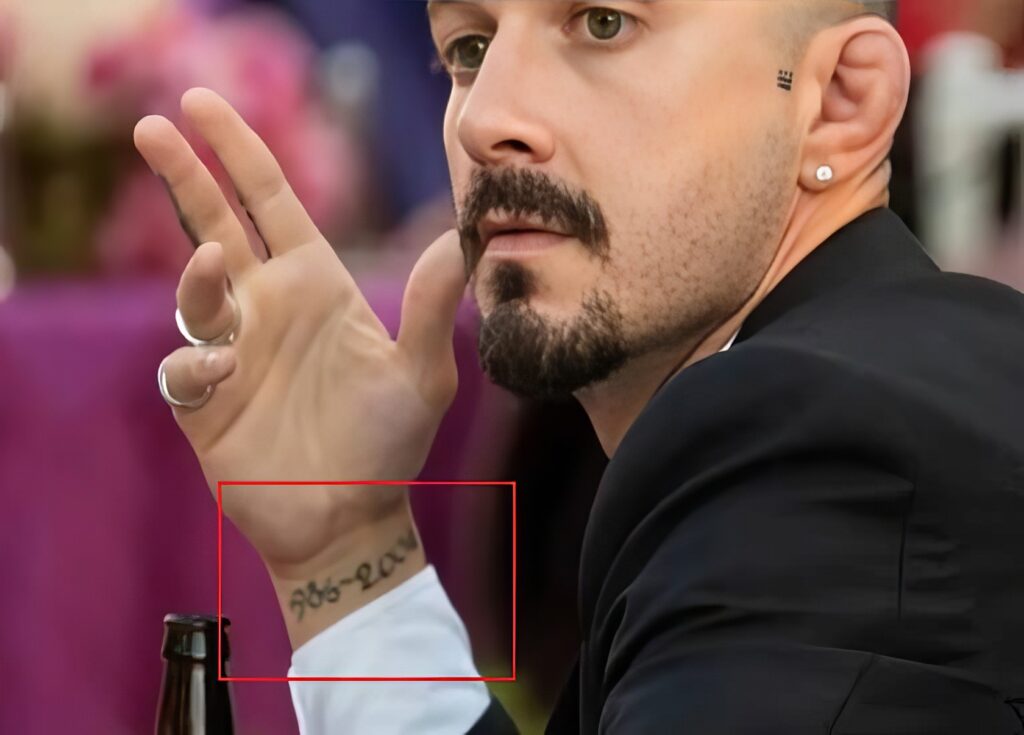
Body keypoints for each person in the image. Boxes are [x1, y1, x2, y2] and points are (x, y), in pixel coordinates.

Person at [134, 0, 1024, 732]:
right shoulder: (885, 397)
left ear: (838, 101)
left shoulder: (828, 442)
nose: (484, 120)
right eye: (469, 48)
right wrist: (348, 555)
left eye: (603, 24)